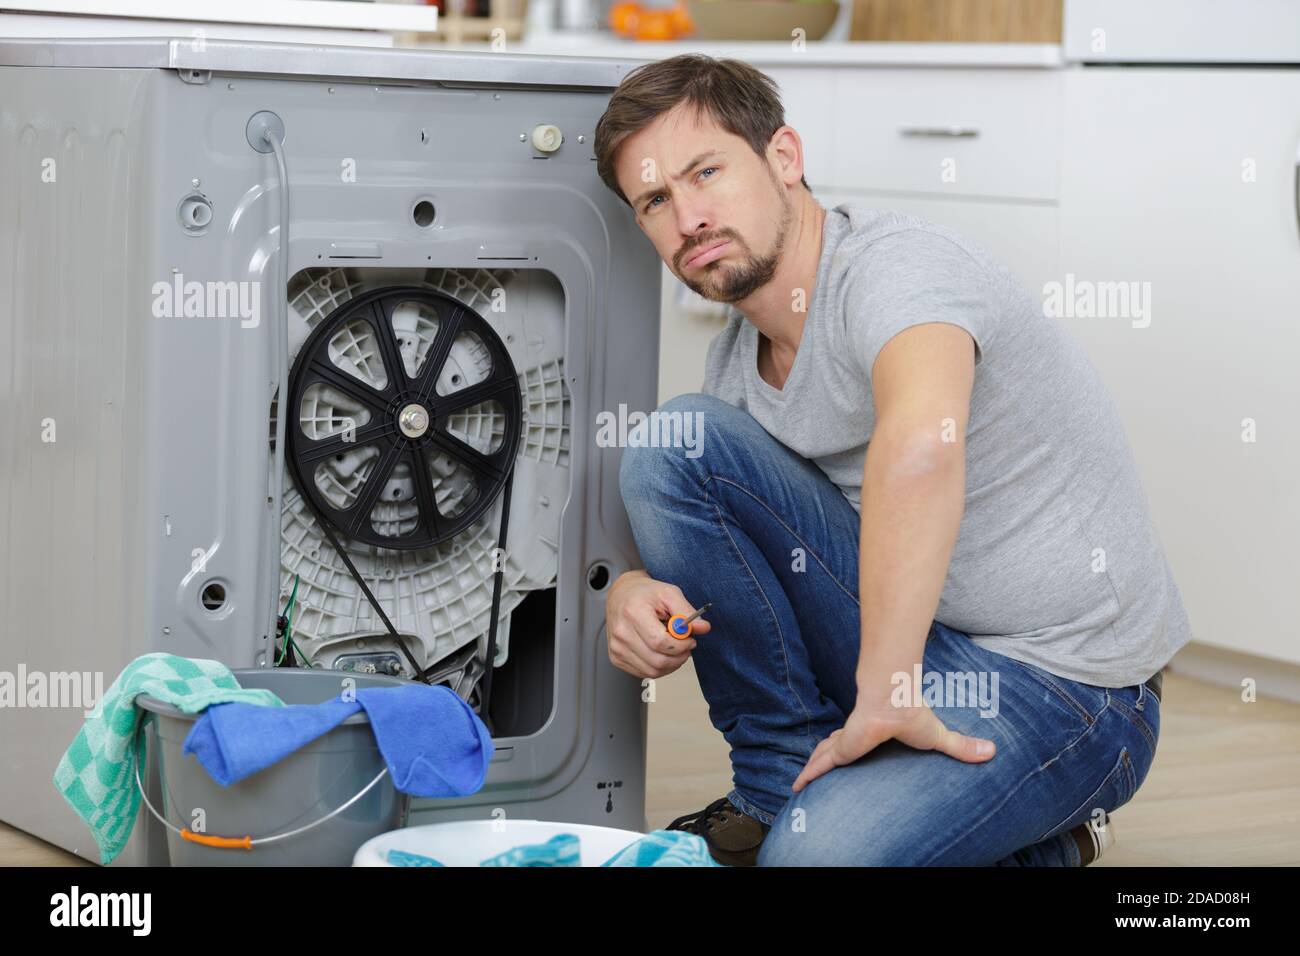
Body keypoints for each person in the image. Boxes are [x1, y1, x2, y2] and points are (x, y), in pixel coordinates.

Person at [593, 54, 1190, 866]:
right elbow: (716, 530)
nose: (688, 217)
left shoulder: (896, 271)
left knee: (816, 862)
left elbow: (921, 446)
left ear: (783, 158)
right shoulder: (738, 365)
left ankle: (1045, 836)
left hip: (1074, 689)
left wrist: (887, 689)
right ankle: (774, 793)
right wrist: (629, 587)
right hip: (916, 647)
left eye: (706, 173)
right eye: (656, 200)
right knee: (674, 446)